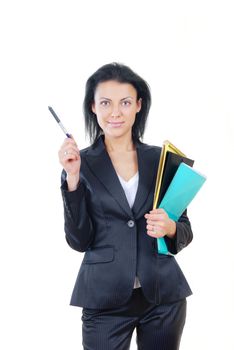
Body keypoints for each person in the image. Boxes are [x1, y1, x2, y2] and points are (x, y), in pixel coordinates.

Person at [58, 62, 193, 350]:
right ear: (93, 107)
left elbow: (184, 231)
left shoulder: (162, 160)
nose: (115, 112)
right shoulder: (79, 164)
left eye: (125, 102)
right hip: (104, 299)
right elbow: (79, 240)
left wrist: (169, 227)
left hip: (163, 297)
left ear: (138, 106)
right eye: (106, 103)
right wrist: (72, 178)